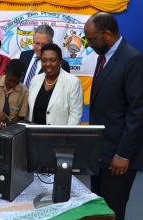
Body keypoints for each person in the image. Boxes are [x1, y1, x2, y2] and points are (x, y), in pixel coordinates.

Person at [84, 12, 143, 220]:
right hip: (101, 153)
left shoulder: (132, 59)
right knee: (98, 211)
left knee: (113, 212)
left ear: (107, 34)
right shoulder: (104, 58)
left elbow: (137, 112)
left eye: (91, 39)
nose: (88, 44)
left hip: (118, 156)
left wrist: (124, 155)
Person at [26, 43, 83, 125]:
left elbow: (75, 117)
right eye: (44, 60)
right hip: (34, 135)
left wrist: (65, 137)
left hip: (59, 136)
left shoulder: (73, 82)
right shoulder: (35, 80)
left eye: (52, 60)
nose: (48, 64)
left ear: (60, 61)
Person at [0, 59, 29, 148]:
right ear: (5, 72)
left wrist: (9, 125)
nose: (12, 85)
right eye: (9, 81)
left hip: (11, 135)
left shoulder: (24, 91)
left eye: (17, 82)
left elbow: (20, 116)